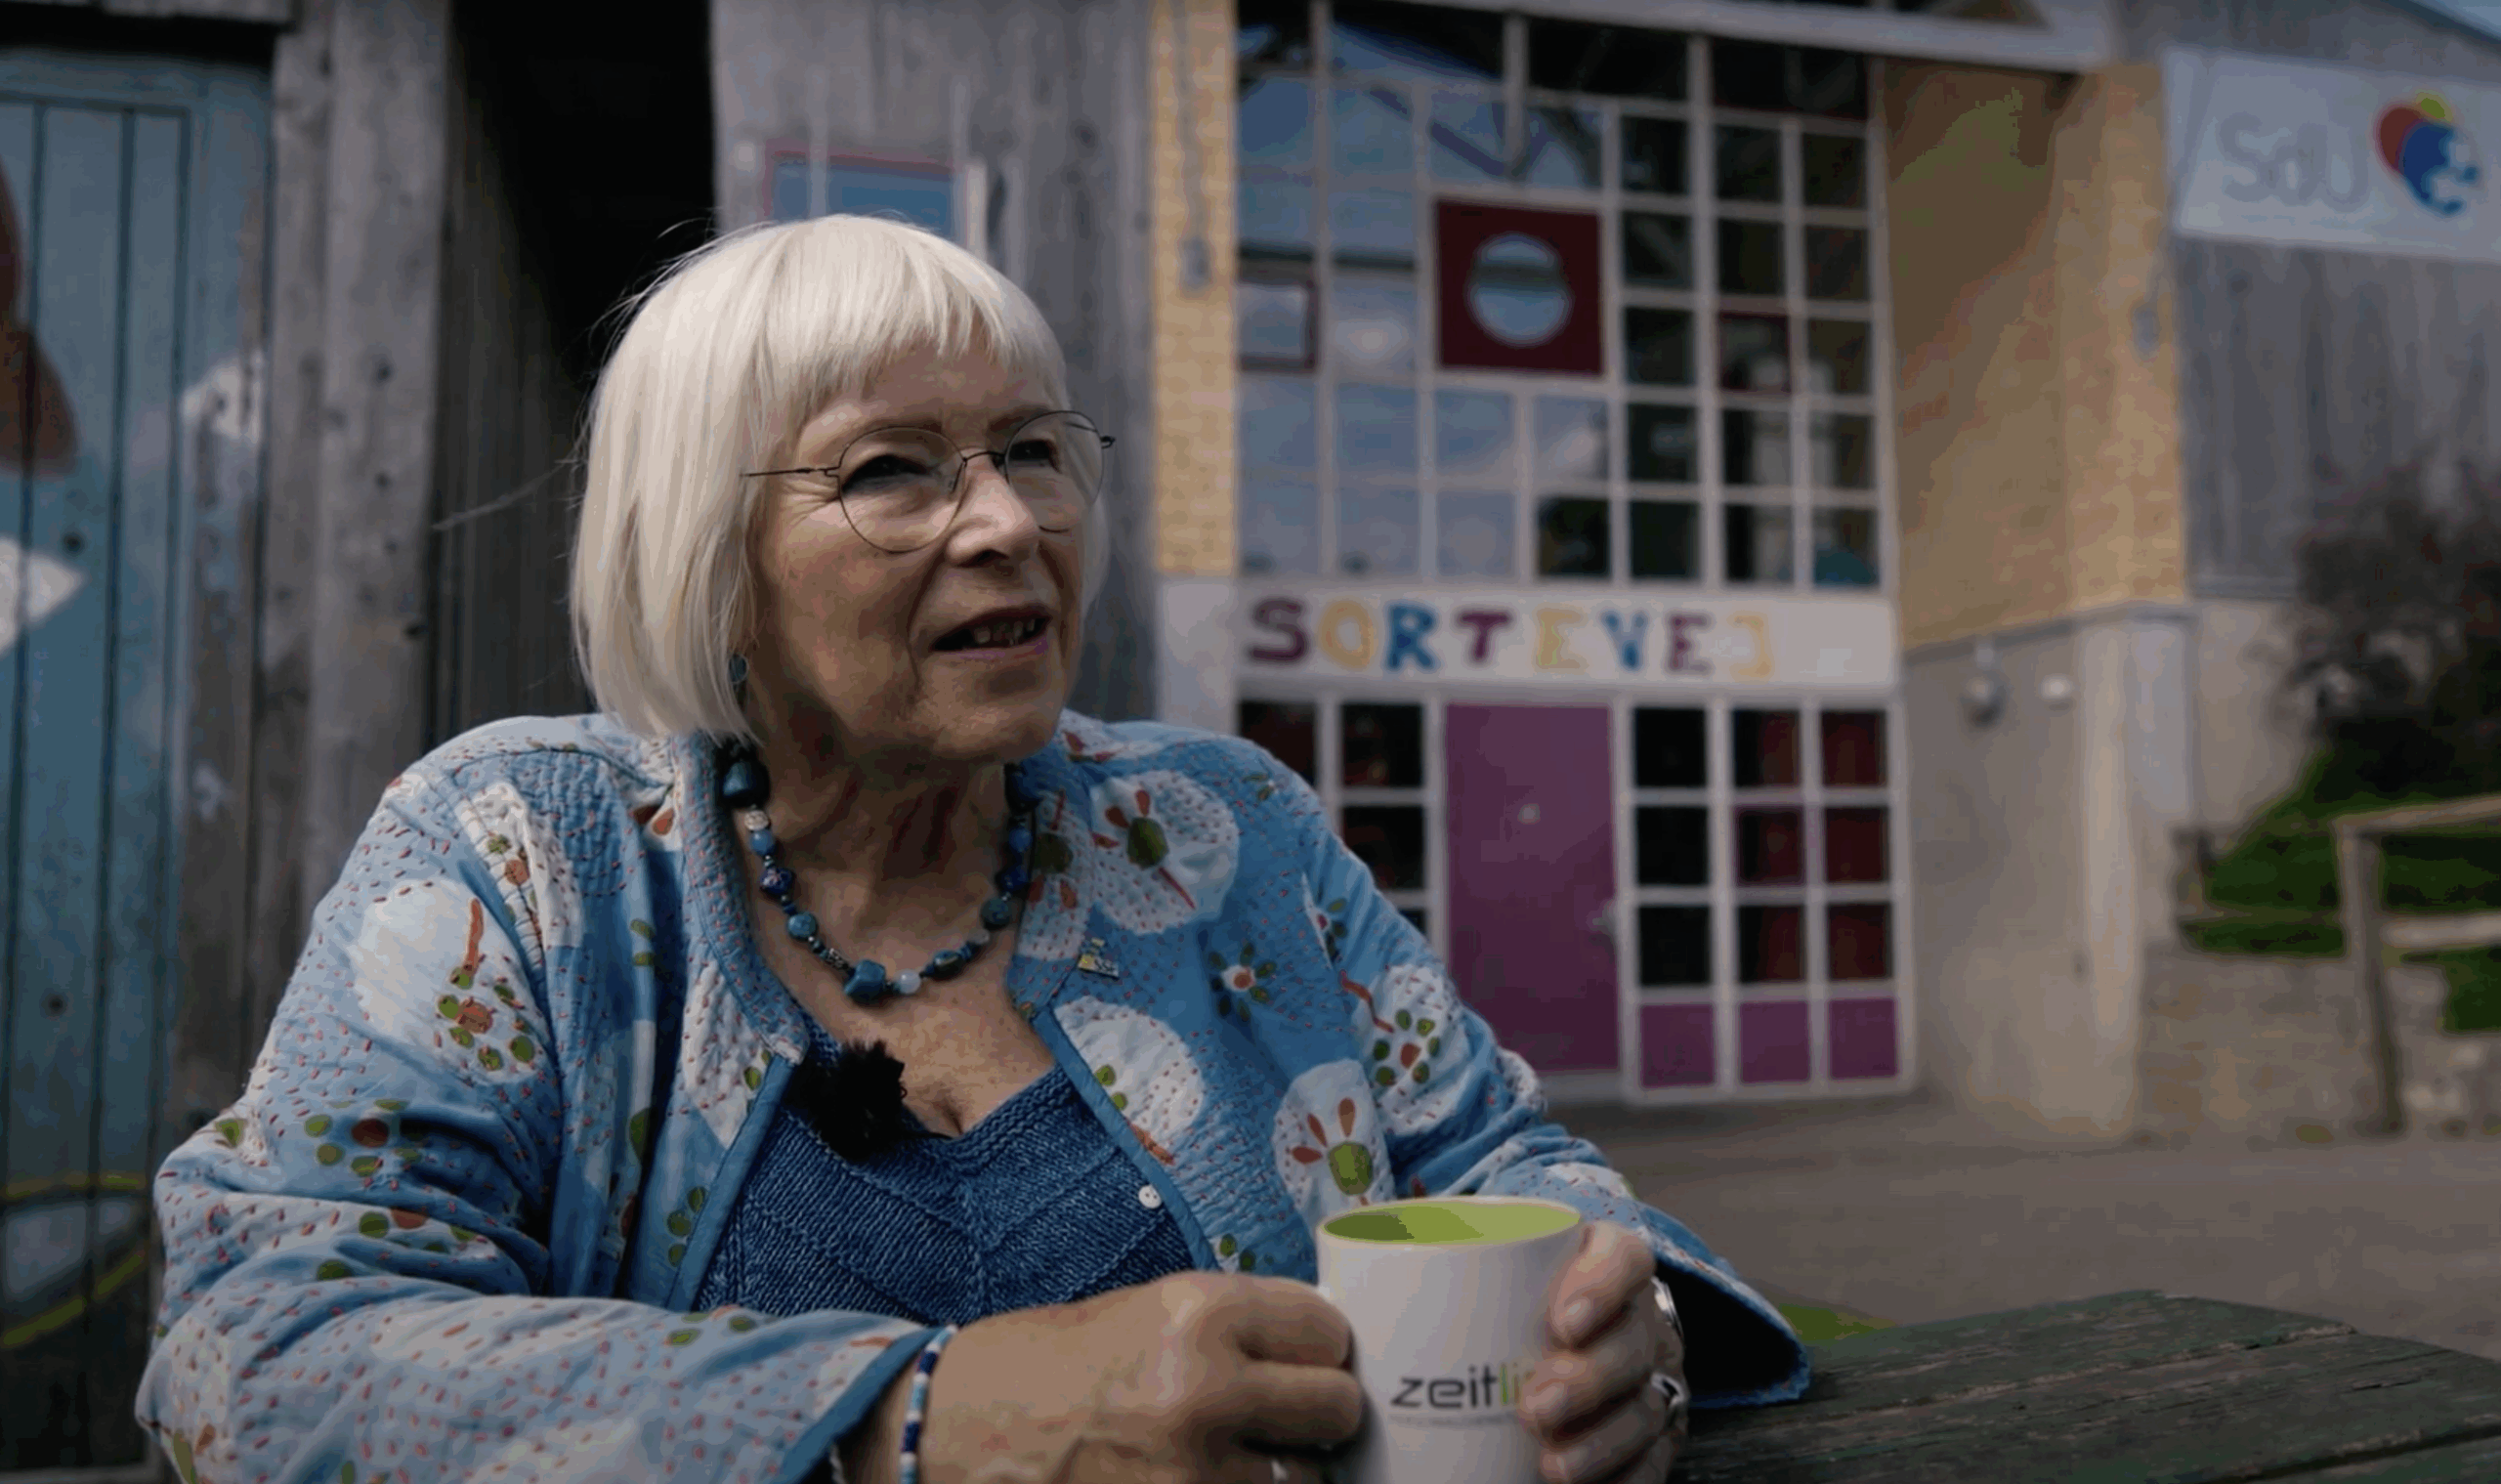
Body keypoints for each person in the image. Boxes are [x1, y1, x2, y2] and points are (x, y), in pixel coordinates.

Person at [138, 214, 1807, 1484]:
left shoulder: (1224, 826)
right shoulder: (518, 855)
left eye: (1029, 450)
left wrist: (1629, 1320)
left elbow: (1506, 1158)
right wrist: (909, 1425)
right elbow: (255, 1353)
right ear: (709, 551)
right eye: (892, 471)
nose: (1007, 519)